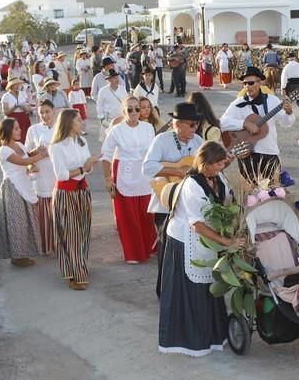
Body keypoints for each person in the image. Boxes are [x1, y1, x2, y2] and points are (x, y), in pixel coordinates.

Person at [158, 141, 244, 357]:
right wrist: (227, 242)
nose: (221, 168)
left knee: (210, 285)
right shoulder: (192, 186)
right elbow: (197, 224)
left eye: (222, 164)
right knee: (192, 291)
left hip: (207, 240)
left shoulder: (218, 177)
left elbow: (227, 199)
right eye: (217, 165)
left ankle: (215, 335)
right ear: (204, 164)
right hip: (186, 240)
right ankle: (191, 341)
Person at [142, 102, 205, 297]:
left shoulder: (198, 142)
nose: (196, 128)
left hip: (189, 206)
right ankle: (165, 291)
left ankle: (185, 290)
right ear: (178, 124)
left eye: (197, 124)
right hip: (165, 203)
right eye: (192, 124)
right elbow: (148, 167)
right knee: (166, 248)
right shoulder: (162, 140)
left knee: (189, 248)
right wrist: (176, 170)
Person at [101, 96, 157, 264]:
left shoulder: (148, 127)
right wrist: (108, 178)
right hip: (124, 171)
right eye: (130, 109)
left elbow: (153, 152)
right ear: (124, 111)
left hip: (144, 174)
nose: (134, 112)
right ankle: (134, 252)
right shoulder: (116, 130)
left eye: (137, 109)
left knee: (146, 214)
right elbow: (106, 155)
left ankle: (149, 247)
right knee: (128, 216)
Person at [49, 109, 100, 290]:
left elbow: (88, 169)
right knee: (71, 234)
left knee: (84, 231)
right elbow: (61, 174)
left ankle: (79, 265)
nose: (83, 122)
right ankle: (77, 275)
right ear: (69, 123)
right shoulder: (56, 146)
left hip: (82, 191)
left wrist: (89, 165)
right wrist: (83, 167)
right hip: (66, 194)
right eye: (79, 120)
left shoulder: (82, 141)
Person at [220, 66, 295, 183]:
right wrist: (244, 124)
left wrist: (289, 112)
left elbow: (286, 123)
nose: (247, 87)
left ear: (260, 82)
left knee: (273, 190)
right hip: (246, 153)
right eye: (244, 83)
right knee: (249, 192)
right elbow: (222, 122)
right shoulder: (238, 104)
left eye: (250, 83)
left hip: (269, 151)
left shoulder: (272, 100)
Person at [0, 118, 48, 266]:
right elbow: (23, 162)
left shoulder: (18, 144)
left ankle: (22, 254)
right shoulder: (3, 150)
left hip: (24, 185)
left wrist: (38, 151)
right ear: (8, 131)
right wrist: (43, 155)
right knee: (16, 222)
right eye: (16, 128)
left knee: (25, 221)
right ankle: (17, 257)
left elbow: (27, 155)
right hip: (12, 188)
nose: (20, 130)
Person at [24, 100, 57, 255]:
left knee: (58, 211)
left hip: (57, 173)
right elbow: (26, 154)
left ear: (53, 111)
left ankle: (61, 244)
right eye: (41, 112)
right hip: (42, 174)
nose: (44, 115)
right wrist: (36, 152)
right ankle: (45, 245)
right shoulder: (33, 130)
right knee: (43, 213)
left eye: (47, 111)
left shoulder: (61, 128)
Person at [97, 68, 127, 141]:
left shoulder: (122, 89)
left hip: (121, 118)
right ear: (109, 80)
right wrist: (101, 118)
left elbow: (126, 102)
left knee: (121, 140)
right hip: (108, 119)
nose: (116, 79)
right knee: (107, 140)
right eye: (114, 78)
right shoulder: (103, 91)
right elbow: (99, 105)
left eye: (117, 77)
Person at [280, 51, 299, 121]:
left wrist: (283, 88)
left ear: (288, 59)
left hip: (290, 85)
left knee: (288, 99)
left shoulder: (286, 67)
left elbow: (283, 78)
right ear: (294, 58)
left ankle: (287, 114)